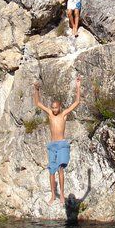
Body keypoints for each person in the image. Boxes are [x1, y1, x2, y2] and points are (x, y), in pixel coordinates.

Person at [33, 77, 82, 205]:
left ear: (60, 107)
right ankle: (53, 195)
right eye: (53, 108)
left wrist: (78, 86)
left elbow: (76, 102)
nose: (54, 110)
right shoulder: (49, 114)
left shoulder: (64, 114)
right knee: (51, 171)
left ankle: (62, 195)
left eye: (56, 107)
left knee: (60, 168)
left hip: (61, 144)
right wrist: (36, 90)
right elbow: (38, 103)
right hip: (52, 145)